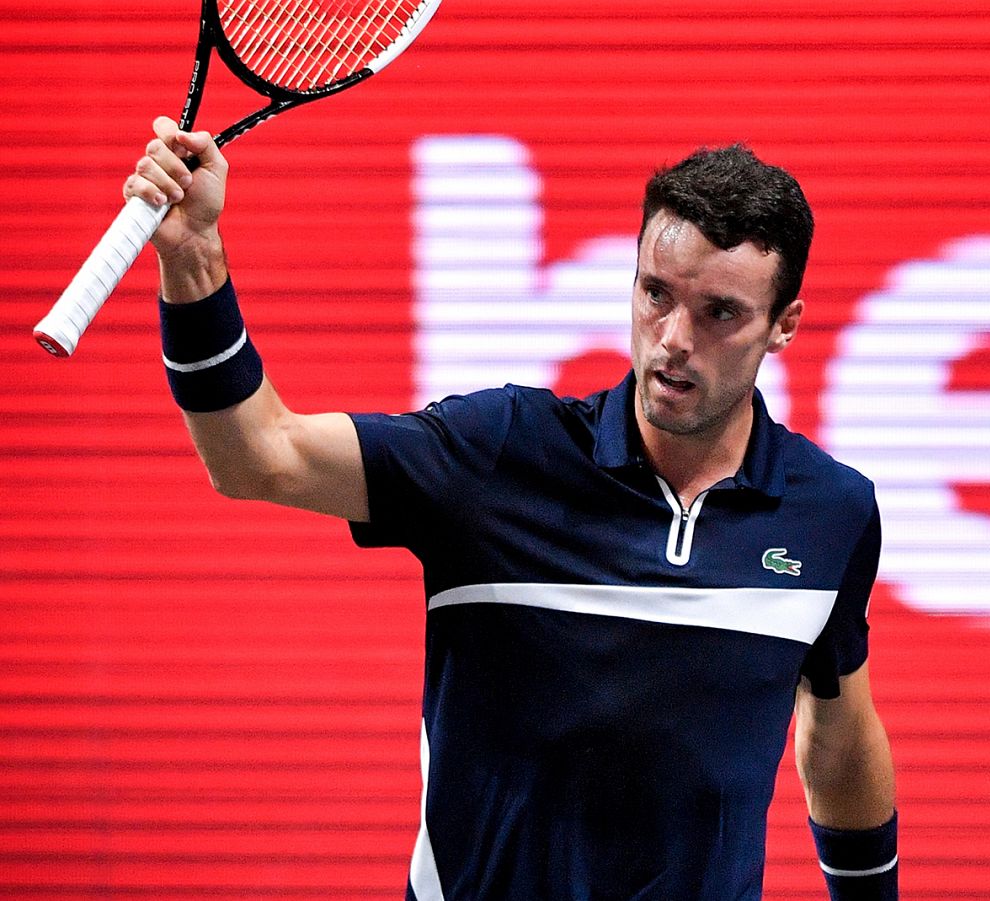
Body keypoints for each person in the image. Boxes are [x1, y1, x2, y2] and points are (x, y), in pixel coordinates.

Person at [129, 116, 898, 900]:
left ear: (784, 326)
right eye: (655, 293)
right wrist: (193, 254)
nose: (672, 338)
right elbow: (259, 453)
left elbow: (837, 742)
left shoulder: (830, 513)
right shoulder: (498, 454)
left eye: (719, 313)